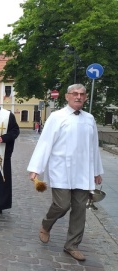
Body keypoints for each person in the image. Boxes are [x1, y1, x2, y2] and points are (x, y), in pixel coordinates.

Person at [27, 83, 103, 261]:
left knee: (79, 210)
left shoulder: (89, 118)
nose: (78, 97)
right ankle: (46, 224)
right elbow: (45, 143)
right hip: (61, 169)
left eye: (82, 94)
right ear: (67, 96)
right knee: (62, 205)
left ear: (86, 97)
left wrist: (97, 171)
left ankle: (72, 245)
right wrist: (36, 169)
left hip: (83, 171)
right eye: (74, 93)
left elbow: (94, 147)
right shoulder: (56, 117)